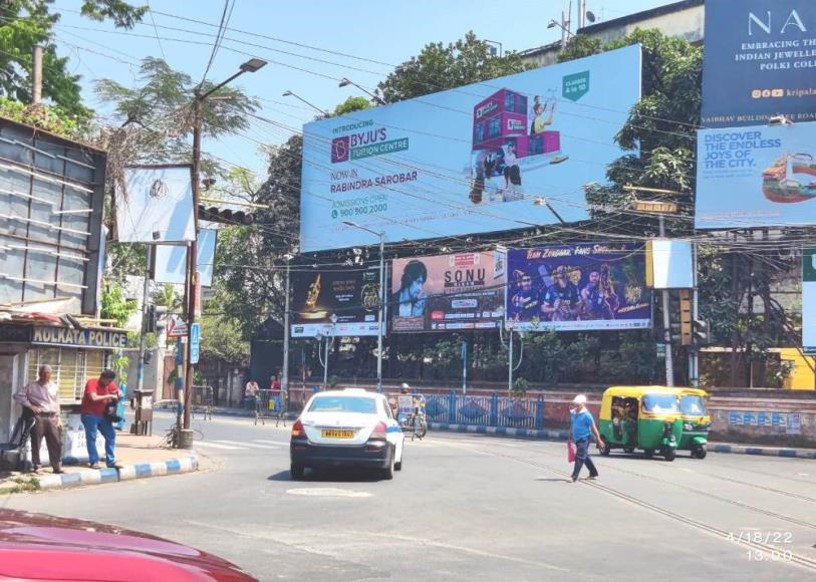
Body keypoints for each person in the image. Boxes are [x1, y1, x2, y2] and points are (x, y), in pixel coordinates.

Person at [14, 364, 63, 474]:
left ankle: (56, 466)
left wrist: (59, 417)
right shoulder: (32, 386)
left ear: (51, 374)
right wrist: (30, 406)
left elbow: (57, 402)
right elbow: (18, 396)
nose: (46, 375)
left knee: (56, 442)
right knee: (36, 442)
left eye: (48, 373)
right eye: (44, 372)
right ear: (39, 374)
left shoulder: (54, 386)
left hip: (52, 417)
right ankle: (37, 465)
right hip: (39, 417)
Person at [80, 370, 123, 470]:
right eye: (108, 381)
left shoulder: (110, 384)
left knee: (111, 435)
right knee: (92, 437)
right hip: (90, 414)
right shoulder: (92, 383)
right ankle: (94, 461)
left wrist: (118, 393)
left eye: (111, 381)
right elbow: (93, 398)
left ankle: (111, 461)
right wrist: (109, 395)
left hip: (103, 415)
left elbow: (117, 391)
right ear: (103, 378)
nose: (109, 383)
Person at [569, 394, 602, 482]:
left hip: (584, 438)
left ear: (583, 404)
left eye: (578, 404)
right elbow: (573, 425)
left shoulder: (587, 415)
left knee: (579, 456)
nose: (576, 406)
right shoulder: (573, 413)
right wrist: (570, 435)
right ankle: (593, 472)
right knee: (584, 455)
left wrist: (598, 439)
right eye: (575, 404)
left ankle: (574, 475)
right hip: (576, 438)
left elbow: (593, 427)